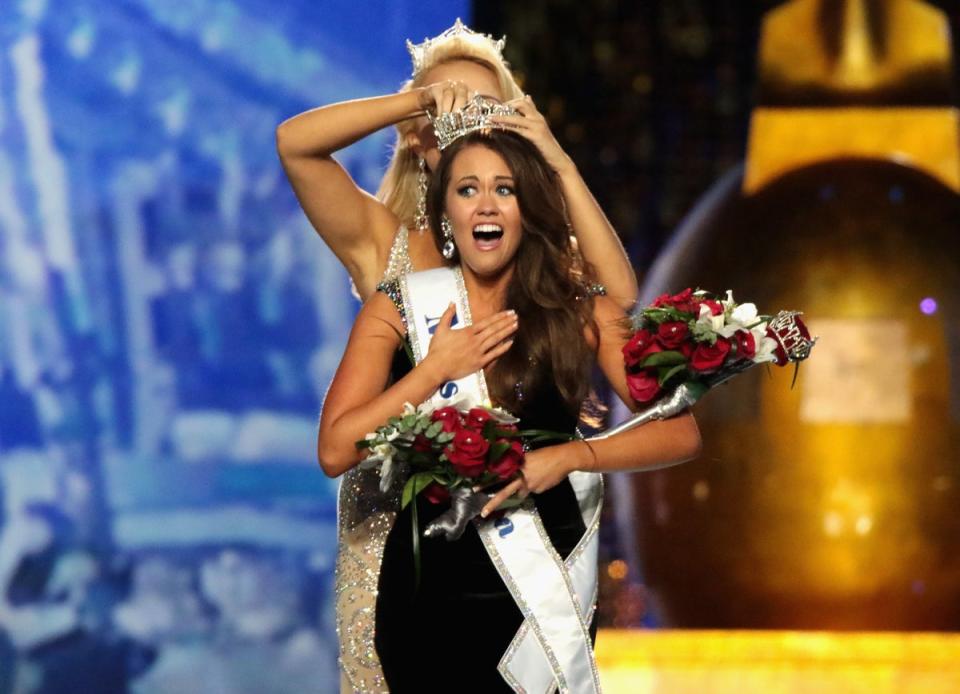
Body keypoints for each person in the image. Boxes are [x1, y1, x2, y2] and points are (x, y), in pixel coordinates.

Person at [318, 122, 700, 691]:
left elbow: (681, 433)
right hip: (428, 589)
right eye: (467, 189)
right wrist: (433, 371)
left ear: (528, 207)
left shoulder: (580, 310)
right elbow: (334, 449)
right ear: (445, 211)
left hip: (542, 582)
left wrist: (572, 456)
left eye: (506, 188)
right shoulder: (398, 308)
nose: (485, 205)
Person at [275, 19, 638, 307]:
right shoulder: (385, 246)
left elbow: (620, 299)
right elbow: (295, 144)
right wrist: (415, 101)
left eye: (485, 109)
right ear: (416, 141)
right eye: (447, 109)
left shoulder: (538, 251)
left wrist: (562, 166)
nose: (469, 127)